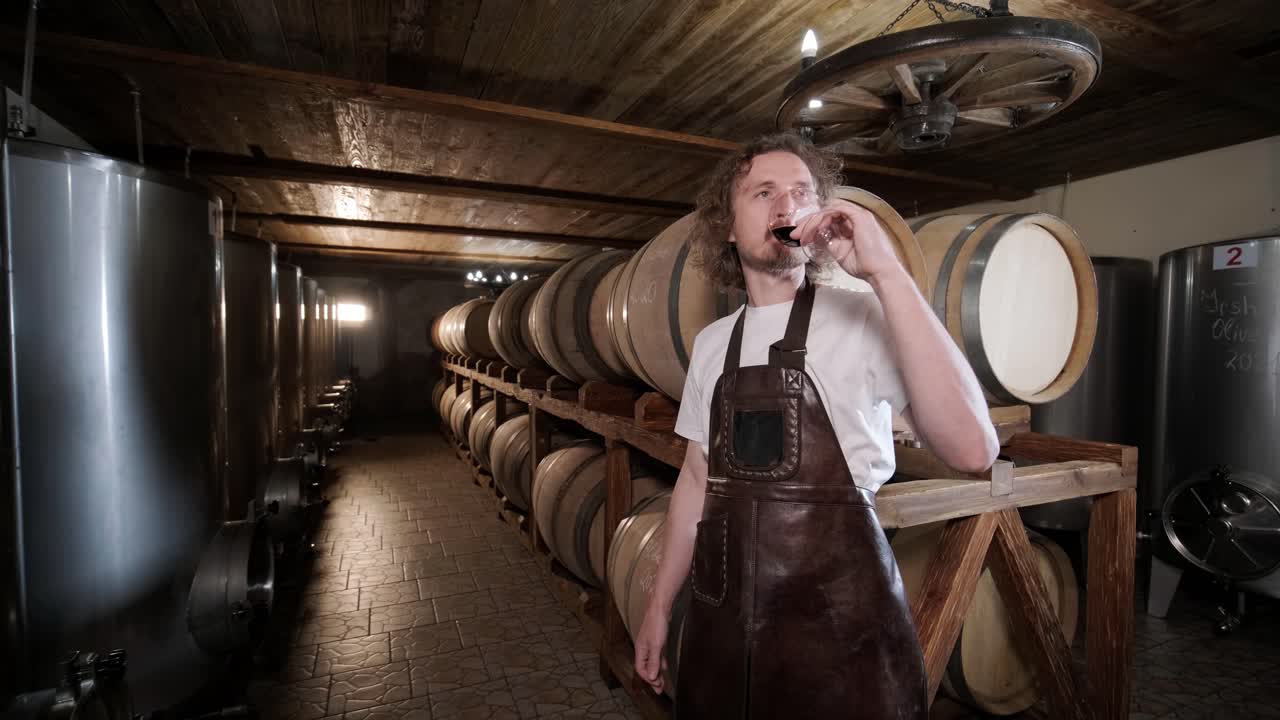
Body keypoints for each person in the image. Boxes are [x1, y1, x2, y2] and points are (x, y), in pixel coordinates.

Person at [632, 132, 1000, 718]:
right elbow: (697, 484)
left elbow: (974, 449)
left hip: (842, 636)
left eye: (801, 192)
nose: (786, 207)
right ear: (727, 224)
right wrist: (657, 608)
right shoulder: (711, 347)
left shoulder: (865, 318)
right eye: (763, 193)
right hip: (726, 630)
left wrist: (885, 272)